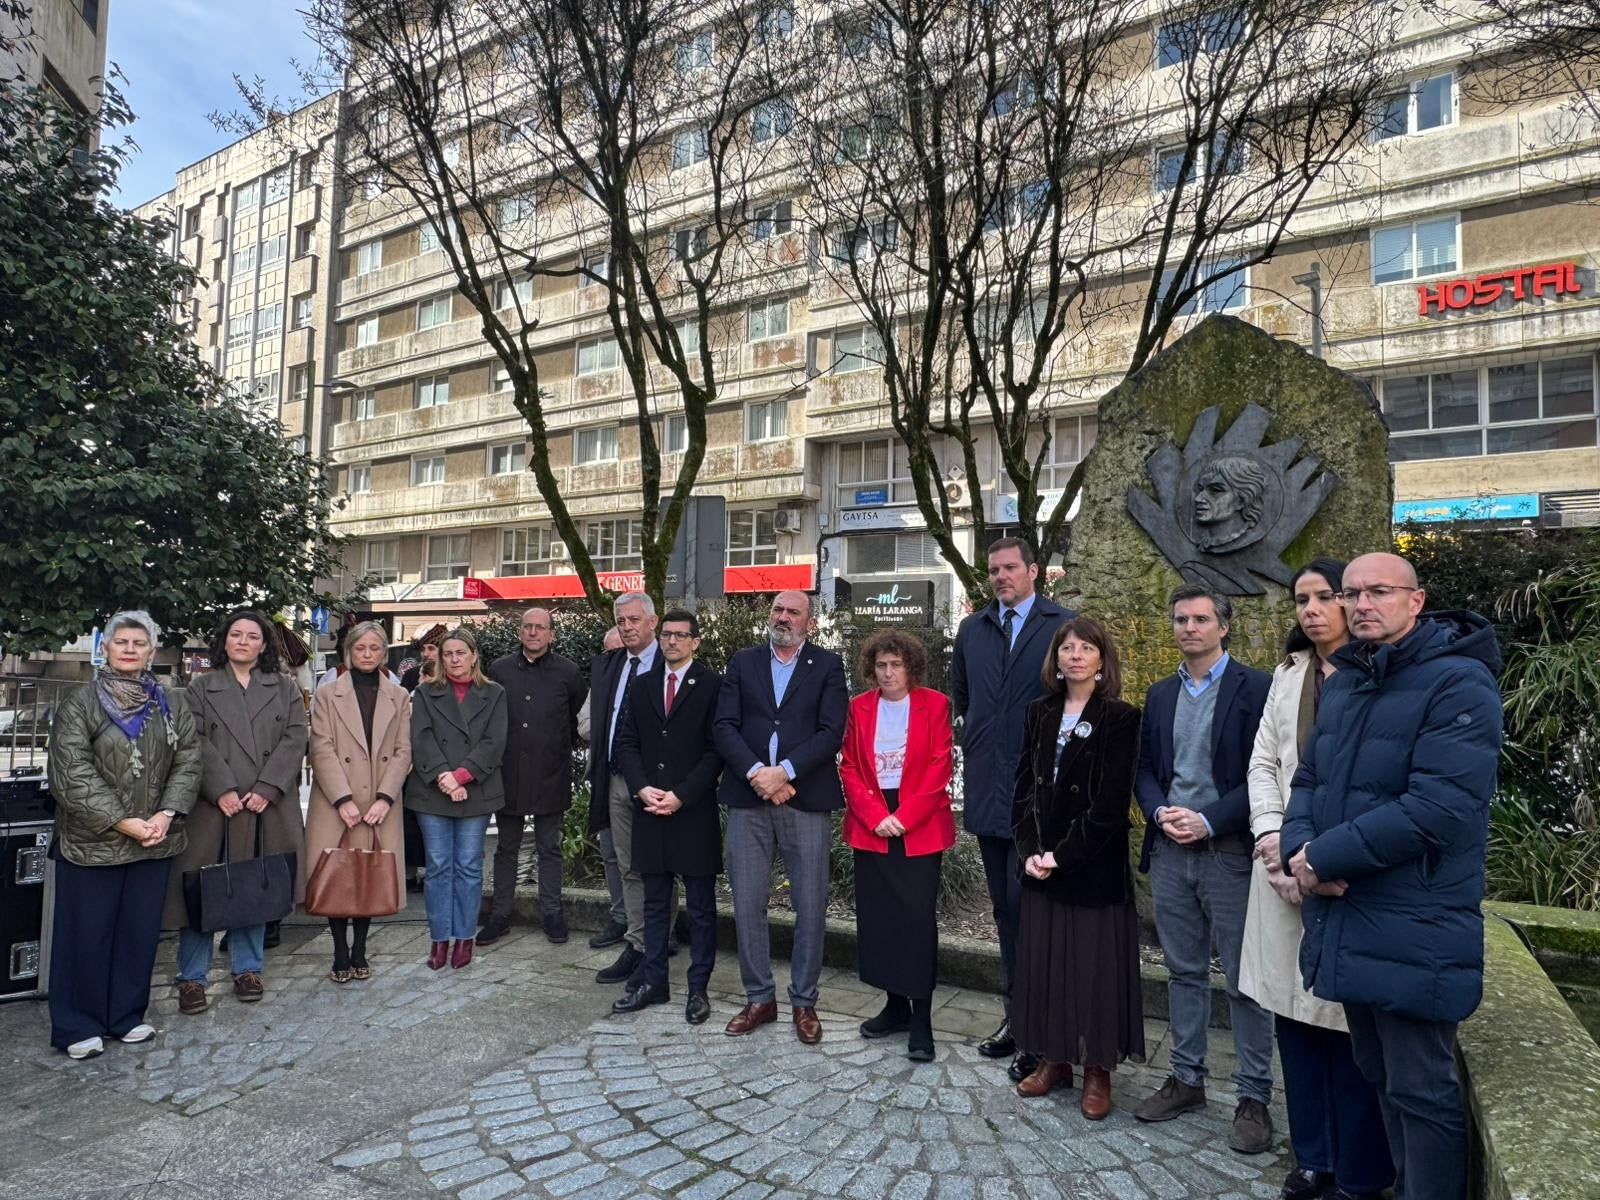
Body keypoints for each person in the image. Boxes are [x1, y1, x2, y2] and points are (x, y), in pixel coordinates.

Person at [1280, 552, 1502, 1200]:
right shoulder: (1348, 680)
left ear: (1417, 599)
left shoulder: (1459, 681)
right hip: (1351, 916)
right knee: (1378, 1072)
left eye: (1379, 590)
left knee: (1422, 1090)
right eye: (1353, 592)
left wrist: (1324, 859)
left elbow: (1439, 808)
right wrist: (1301, 849)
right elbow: (1310, 780)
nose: (1361, 604)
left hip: (1416, 922)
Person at [1241, 560, 1394, 1200]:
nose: (1311, 609)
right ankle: (1312, 1158)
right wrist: (1272, 841)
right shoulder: (1289, 674)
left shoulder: (1382, 673)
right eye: (1302, 599)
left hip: (1347, 879)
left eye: (1324, 596)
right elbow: (1263, 763)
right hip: (1279, 874)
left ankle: (1359, 1174)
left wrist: (1321, 859)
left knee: (1350, 1029)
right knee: (1295, 1021)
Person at [1133, 584, 1276, 1154]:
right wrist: (1158, 810)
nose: (1189, 627)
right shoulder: (1162, 693)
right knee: (1184, 971)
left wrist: (1210, 820)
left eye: (1200, 619)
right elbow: (1145, 768)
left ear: (1223, 626)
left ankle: (1254, 1096)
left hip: (1229, 854)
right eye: (1180, 619)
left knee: (1245, 980)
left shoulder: (1256, 689)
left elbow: (1263, 773)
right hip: (1170, 853)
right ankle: (1188, 1080)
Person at [46, 611, 201, 1060]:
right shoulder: (83, 702)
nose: (130, 649)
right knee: (86, 934)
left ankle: (126, 1016)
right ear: (106, 648)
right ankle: (77, 1024)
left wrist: (166, 814)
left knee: (137, 933)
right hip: (93, 842)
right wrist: (122, 821)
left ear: (151, 651)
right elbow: (71, 771)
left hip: (155, 838)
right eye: (122, 642)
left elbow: (188, 759)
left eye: (139, 643)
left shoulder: (170, 700)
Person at [1010, 618, 1145, 1118]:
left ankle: (1097, 1071)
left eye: (1086, 648)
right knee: (1046, 967)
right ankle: (1055, 1059)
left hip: (1090, 867)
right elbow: (1023, 787)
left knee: (1092, 971)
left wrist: (1061, 856)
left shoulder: (1121, 718)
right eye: (1067, 648)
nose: (1075, 656)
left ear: (1102, 659)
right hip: (1040, 866)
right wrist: (1029, 851)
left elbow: (1111, 805)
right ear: (1056, 659)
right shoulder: (1037, 713)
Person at [949, 536, 1072, 1080]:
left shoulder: (1061, 625)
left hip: (1042, 798)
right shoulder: (973, 629)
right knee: (1004, 911)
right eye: (993, 569)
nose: (1000, 576)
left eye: (1010, 568)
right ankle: (1015, 1021)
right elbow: (964, 701)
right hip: (987, 789)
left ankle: (1045, 1029)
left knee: (1037, 914)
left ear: (1034, 571)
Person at [714, 590, 849, 1044]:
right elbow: (724, 726)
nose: (783, 617)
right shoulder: (743, 662)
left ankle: (804, 1002)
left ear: (809, 621)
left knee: (810, 904)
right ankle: (759, 998)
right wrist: (758, 774)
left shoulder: (827, 666)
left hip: (804, 797)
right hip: (749, 798)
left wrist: (786, 773)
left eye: (793, 611)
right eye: (777, 609)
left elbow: (832, 731)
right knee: (748, 901)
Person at [164, 610, 308, 1014]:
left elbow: (296, 738)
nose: (243, 641)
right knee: (200, 890)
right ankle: (191, 978)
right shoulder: (200, 687)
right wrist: (221, 788)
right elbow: (191, 741)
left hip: (267, 805)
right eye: (236, 634)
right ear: (224, 641)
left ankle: (248, 968)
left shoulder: (284, 688)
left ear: (264, 644)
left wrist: (267, 788)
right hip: (214, 807)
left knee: (255, 886)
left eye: (252, 635)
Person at [839, 628, 954, 1062]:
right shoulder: (858, 708)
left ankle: (921, 1017)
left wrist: (903, 818)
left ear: (911, 667)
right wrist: (875, 817)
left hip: (917, 823)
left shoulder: (935, 705)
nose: (888, 673)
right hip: (873, 821)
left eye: (896, 665)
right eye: (881, 665)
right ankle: (894, 1006)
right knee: (881, 919)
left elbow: (940, 767)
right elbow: (849, 766)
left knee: (916, 920)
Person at [610, 609, 724, 1024]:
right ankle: (654, 982)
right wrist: (641, 788)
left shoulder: (713, 686)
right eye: (667, 635)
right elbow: (627, 742)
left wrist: (681, 795)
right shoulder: (641, 687)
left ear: (695, 641)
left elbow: (717, 750)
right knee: (655, 905)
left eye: (681, 636)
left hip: (692, 812)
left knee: (700, 908)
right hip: (650, 809)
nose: (672, 641)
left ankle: (698, 990)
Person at [305, 621, 412, 983]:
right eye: (360, 648)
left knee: (369, 874)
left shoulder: (398, 697)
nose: (367, 655)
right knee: (338, 873)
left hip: (378, 800)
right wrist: (342, 798)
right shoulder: (327, 693)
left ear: (384, 653)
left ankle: (360, 950)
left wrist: (384, 798)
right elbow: (321, 747)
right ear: (348, 652)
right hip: (339, 799)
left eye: (375, 648)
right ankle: (338, 951)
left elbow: (403, 750)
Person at [586, 597, 675, 987]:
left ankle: (656, 946)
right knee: (627, 866)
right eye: (620, 621)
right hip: (615, 780)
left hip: (656, 785)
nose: (626, 627)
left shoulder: (670, 662)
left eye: (634, 619)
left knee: (657, 868)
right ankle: (638, 945)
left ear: (653, 621)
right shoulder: (610, 664)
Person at [482, 607, 585, 946]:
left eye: (540, 627)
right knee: (506, 848)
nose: (533, 632)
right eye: (527, 627)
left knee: (549, 848)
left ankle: (552, 915)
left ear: (552, 634)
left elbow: (576, 723)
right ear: (519, 632)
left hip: (549, 773)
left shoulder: (568, 673)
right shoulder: (499, 670)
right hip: (508, 773)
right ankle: (500, 916)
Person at [407, 627, 507, 971]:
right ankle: (439, 938)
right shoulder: (424, 694)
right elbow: (421, 739)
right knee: (437, 868)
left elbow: (495, 742)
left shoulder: (494, 693)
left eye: (460, 653)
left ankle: (464, 938)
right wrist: (444, 778)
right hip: (432, 790)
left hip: (475, 790)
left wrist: (462, 776)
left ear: (474, 656)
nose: (453, 660)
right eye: (447, 654)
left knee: (468, 866)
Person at [584, 625, 631, 951]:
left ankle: (657, 930)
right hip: (604, 778)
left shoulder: (642, 675)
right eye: (607, 651)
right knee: (611, 855)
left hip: (641, 784)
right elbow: (583, 724)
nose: (612, 658)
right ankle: (620, 918)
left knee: (650, 861)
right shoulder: (599, 683)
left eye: (618, 651)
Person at [401, 624, 446, 692]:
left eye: (431, 649)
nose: (425, 654)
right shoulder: (411, 675)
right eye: (423, 649)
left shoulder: (453, 674)